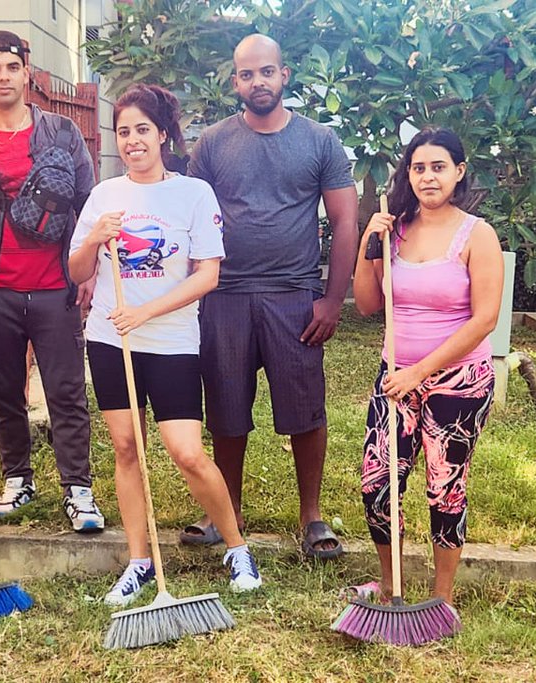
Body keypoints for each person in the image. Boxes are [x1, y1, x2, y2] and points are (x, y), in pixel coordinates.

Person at [70, 84, 262, 605]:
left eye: (142, 130)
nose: (132, 141)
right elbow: (76, 270)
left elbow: (208, 276)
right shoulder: (104, 196)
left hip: (172, 341)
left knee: (187, 453)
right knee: (127, 448)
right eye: (123, 132)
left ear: (162, 135)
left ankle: (237, 548)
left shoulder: (193, 194)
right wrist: (92, 238)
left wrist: (146, 312)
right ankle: (138, 560)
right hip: (111, 341)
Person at [184, 34, 358, 559]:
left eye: (266, 72)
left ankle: (312, 516)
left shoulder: (319, 141)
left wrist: (331, 300)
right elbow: (191, 219)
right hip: (226, 295)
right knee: (226, 408)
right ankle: (226, 511)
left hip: (294, 297)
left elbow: (346, 221)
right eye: (246, 74)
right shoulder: (212, 142)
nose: (256, 82)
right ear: (234, 81)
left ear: (284, 75)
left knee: (305, 409)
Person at [349, 126, 503, 609]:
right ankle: (391, 584)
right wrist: (367, 245)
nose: (427, 177)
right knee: (377, 483)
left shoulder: (478, 236)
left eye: (438, 167)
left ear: (458, 172)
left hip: (458, 383)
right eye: (418, 168)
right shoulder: (394, 230)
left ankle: (441, 598)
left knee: (444, 489)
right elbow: (369, 305)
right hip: (395, 378)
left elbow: (485, 320)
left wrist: (421, 372)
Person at [0, 30, 104, 532]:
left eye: (11, 67)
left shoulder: (62, 132)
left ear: (27, 74)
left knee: (66, 391)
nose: (3, 76)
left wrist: (90, 273)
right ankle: (17, 478)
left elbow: (88, 206)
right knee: (4, 390)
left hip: (54, 285)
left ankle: (78, 489)